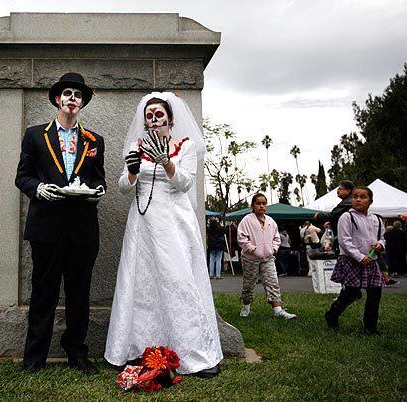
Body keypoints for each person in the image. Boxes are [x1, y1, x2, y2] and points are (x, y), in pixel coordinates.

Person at [105, 92, 222, 378]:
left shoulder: (185, 146)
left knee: (178, 281)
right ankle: (137, 348)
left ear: (170, 118)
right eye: (149, 115)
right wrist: (132, 172)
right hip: (143, 223)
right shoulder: (136, 145)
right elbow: (123, 187)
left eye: (159, 114)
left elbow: (186, 184)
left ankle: (194, 352)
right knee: (142, 282)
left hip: (173, 221)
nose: (154, 119)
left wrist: (167, 163)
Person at [15, 72, 106, 375]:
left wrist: (98, 191)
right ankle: (34, 357)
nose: (72, 99)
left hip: (82, 228)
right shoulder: (34, 135)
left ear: (82, 103)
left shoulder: (95, 141)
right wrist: (38, 189)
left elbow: (98, 178)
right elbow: (23, 176)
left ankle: (77, 354)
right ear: (58, 99)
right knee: (43, 293)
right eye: (67, 93)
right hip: (46, 227)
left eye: (77, 95)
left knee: (79, 293)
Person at [325, 186, 385, 334]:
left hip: (371, 261)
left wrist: (380, 245)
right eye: (355, 196)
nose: (357, 199)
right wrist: (359, 256)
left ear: (370, 201)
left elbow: (382, 238)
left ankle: (370, 327)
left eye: (362, 197)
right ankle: (332, 314)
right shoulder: (347, 217)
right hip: (351, 260)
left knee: (375, 292)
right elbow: (345, 241)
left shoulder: (376, 219)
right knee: (351, 293)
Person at [237, 193, 297, 320]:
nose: (261, 206)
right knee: (249, 284)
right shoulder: (247, 220)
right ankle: (245, 309)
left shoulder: (271, 221)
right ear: (252, 205)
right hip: (250, 258)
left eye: (264, 203)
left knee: (272, 281)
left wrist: (273, 249)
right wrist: (252, 249)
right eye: (258, 203)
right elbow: (241, 238)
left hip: (268, 258)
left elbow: (276, 238)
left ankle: (278, 310)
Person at [314, 180, 354, 252]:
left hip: (348, 239)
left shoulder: (348, 202)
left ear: (348, 191)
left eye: (340, 189)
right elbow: (339, 216)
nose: (337, 191)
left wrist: (320, 215)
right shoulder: (347, 201)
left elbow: (334, 214)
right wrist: (331, 222)